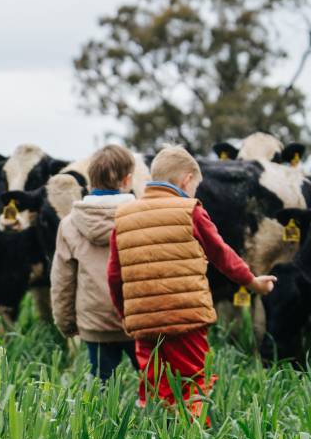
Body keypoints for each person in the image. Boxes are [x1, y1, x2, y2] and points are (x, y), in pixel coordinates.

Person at [107, 146, 276, 422]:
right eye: (195, 187)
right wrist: (252, 282)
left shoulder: (124, 216)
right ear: (186, 180)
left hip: (144, 323)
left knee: (153, 385)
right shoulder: (190, 210)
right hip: (186, 319)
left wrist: (127, 314)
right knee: (194, 383)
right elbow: (221, 254)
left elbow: (114, 275)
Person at [50, 144, 139, 380]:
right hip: (139, 320)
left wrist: (67, 324)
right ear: (128, 180)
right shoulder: (143, 218)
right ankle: (155, 416)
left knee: (101, 382)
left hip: (95, 323)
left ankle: (101, 417)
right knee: (153, 383)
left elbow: (62, 281)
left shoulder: (70, 224)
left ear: (89, 182)